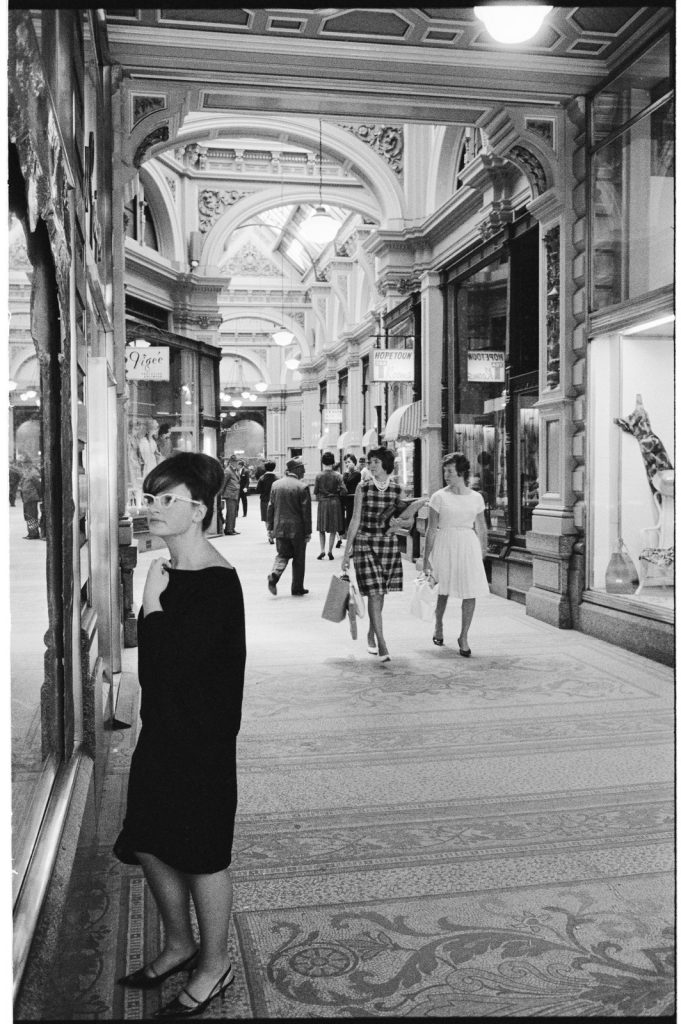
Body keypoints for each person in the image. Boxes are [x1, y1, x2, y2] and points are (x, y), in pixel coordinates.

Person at [114, 452, 245, 1019]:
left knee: (202, 853)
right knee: (148, 837)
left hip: (202, 738)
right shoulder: (167, 572)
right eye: (150, 498)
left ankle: (214, 963)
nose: (153, 509)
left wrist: (151, 608)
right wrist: (155, 599)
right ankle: (178, 944)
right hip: (164, 730)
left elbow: (167, 669)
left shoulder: (216, 581)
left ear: (199, 510)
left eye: (166, 499)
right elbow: (159, 678)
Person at [422, 452, 489, 655]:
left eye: (450, 471)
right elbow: (431, 528)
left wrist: (483, 550)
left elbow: (482, 527)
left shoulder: (476, 498)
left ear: (461, 472)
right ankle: (439, 625)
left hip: (468, 546)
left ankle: (464, 636)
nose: (446, 474)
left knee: (470, 591)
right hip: (445, 543)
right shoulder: (439, 497)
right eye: (445, 470)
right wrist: (426, 558)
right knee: (443, 590)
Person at [342, 447, 403, 662]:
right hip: (365, 543)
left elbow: (406, 520)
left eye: (376, 461)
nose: (371, 465)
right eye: (370, 462)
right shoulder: (363, 487)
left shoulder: (397, 489)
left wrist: (399, 523)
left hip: (387, 544)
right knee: (375, 592)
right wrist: (346, 550)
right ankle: (383, 644)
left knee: (380, 593)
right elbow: (355, 519)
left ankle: (371, 633)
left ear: (386, 464)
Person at [266, 457, 312, 596]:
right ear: (296, 470)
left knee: (282, 554)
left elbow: (270, 507)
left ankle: (274, 574)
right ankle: (297, 587)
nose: (304, 471)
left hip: (280, 527)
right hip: (297, 530)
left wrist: (270, 527)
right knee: (299, 559)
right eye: (302, 468)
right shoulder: (302, 487)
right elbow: (306, 513)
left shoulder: (276, 485)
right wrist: (308, 532)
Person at [313, 451, 346, 560]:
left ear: (322, 462)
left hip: (323, 502)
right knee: (333, 529)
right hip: (335, 502)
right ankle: (330, 551)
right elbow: (344, 490)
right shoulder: (338, 476)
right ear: (333, 462)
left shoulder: (319, 475)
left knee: (322, 529)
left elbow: (315, 491)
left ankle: (322, 550)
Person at [337, 453, 361, 547]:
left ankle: (352, 543)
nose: (347, 464)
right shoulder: (346, 474)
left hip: (353, 500)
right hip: (345, 500)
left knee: (351, 520)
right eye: (346, 462)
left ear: (354, 462)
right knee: (346, 521)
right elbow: (343, 484)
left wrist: (346, 473)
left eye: (349, 462)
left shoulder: (357, 474)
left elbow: (348, 481)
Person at [18, 457, 43, 539]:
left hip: (31, 498)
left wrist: (39, 496)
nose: (23, 465)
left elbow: (39, 486)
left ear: (29, 463)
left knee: (32, 516)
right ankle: (31, 533)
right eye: (23, 463)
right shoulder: (26, 472)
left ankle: (34, 534)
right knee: (28, 516)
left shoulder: (33, 473)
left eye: (24, 463)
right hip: (26, 498)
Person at [256, 460, 278, 541]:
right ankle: (273, 532)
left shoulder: (262, 478)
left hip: (264, 500)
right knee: (274, 517)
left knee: (266, 518)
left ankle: (269, 533)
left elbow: (258, 490)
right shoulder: (277, 478)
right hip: (275, 500)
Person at [220, 455, 241, 535]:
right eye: (235, 461)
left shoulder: (235, 470)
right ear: (231, 462)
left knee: (234, 512)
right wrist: (221, 494)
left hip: (235, 494)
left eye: (237, 461)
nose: (237, 463)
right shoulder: (227, 471)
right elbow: (223, 483)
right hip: (230, 494)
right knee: (231, 512)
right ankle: (228, 529)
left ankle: (232, 528)